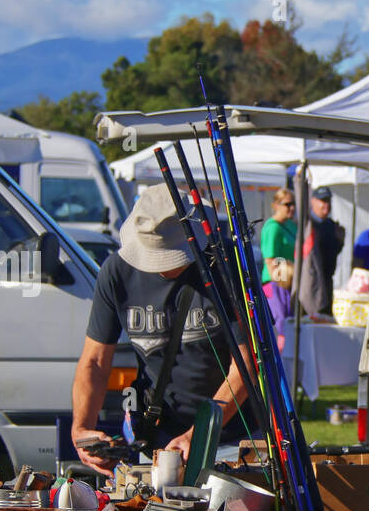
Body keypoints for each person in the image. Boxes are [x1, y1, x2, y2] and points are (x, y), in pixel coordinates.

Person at [71, 184, 255, 476]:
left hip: (233, 439)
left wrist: (199, 435)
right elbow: (94, 360)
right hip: (153, 437)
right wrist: (82, 428)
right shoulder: (117, 271)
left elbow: (247, 364)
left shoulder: (227, 266)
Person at [297, 186, 344, 316]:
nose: (326, 205)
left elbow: (333, 253)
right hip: (309, 284)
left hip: (327, 283)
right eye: (323, 201)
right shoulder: (307, 225)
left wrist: (340, 242)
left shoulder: (332, 226)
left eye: (328, 200)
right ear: (313, 201)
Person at [259, 188, 296, 329]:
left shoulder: (291, 225)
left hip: (288, 283)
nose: (291, 208)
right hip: (275, 283)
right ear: (276, 205)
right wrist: (279, 286)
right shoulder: (272, 228)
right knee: (279, 322)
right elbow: (270, 260)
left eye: (293, 204)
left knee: (289, 322)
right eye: (287, 204)